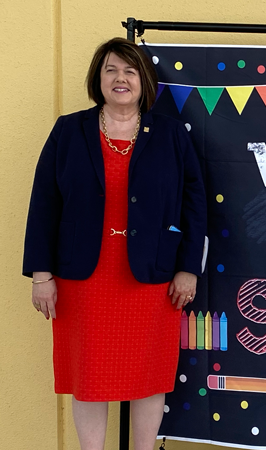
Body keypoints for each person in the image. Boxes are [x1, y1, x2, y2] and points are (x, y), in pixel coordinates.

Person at [23, 38, 207, 450]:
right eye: (110, 70)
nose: (120, 78)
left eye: (130, 70)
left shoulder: (172, 136)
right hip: (83, 276)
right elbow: (44, 203)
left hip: (151, 276)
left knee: (149, 375)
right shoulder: (69, 131)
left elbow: (196, 206)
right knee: (88, 377)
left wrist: (187, 267)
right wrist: (41, 274)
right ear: (98, 79)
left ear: (144, 81)